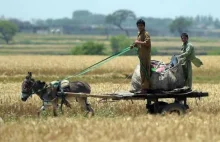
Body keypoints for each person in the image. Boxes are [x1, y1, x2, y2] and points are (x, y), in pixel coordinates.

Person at [130, 19, 151, 94]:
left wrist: (138, 42)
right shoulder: (139, 34)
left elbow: (147, 43)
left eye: (141, 25)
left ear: (144, 26)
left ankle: (145, 88)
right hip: (141, 56)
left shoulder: (146, 34)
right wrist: (133, 45)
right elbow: (138, 43)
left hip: (145, 56)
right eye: (138, 26)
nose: (140, 27)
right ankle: (143, 87)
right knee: (142, 71)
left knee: (145, 71)